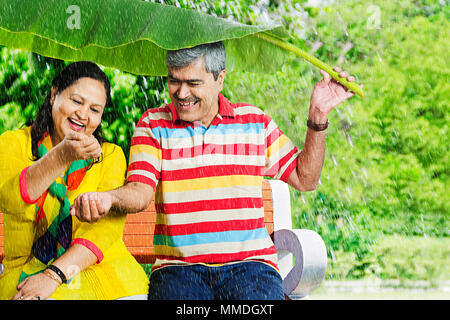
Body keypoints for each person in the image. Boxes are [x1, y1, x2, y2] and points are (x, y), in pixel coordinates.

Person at [71, 42, 362, 300]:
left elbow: (305, 178)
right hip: (178, 271)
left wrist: (318, 117)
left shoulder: (254, 122)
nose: (181, 93)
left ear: (219, 78)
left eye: (193, 83)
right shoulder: (153, 123)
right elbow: (140, 191)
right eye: (174, 81)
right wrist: (109, 198)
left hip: (251, 268)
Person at [0, 61, 149, 300]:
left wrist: (54, 275)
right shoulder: (13, 143)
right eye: (77, 102)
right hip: (27, 270)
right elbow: (12, 201)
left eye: (94, 110)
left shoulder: (109, 156)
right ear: (54, 95)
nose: (83, 115)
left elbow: (102, 232)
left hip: (102, 271)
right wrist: (62, 155)